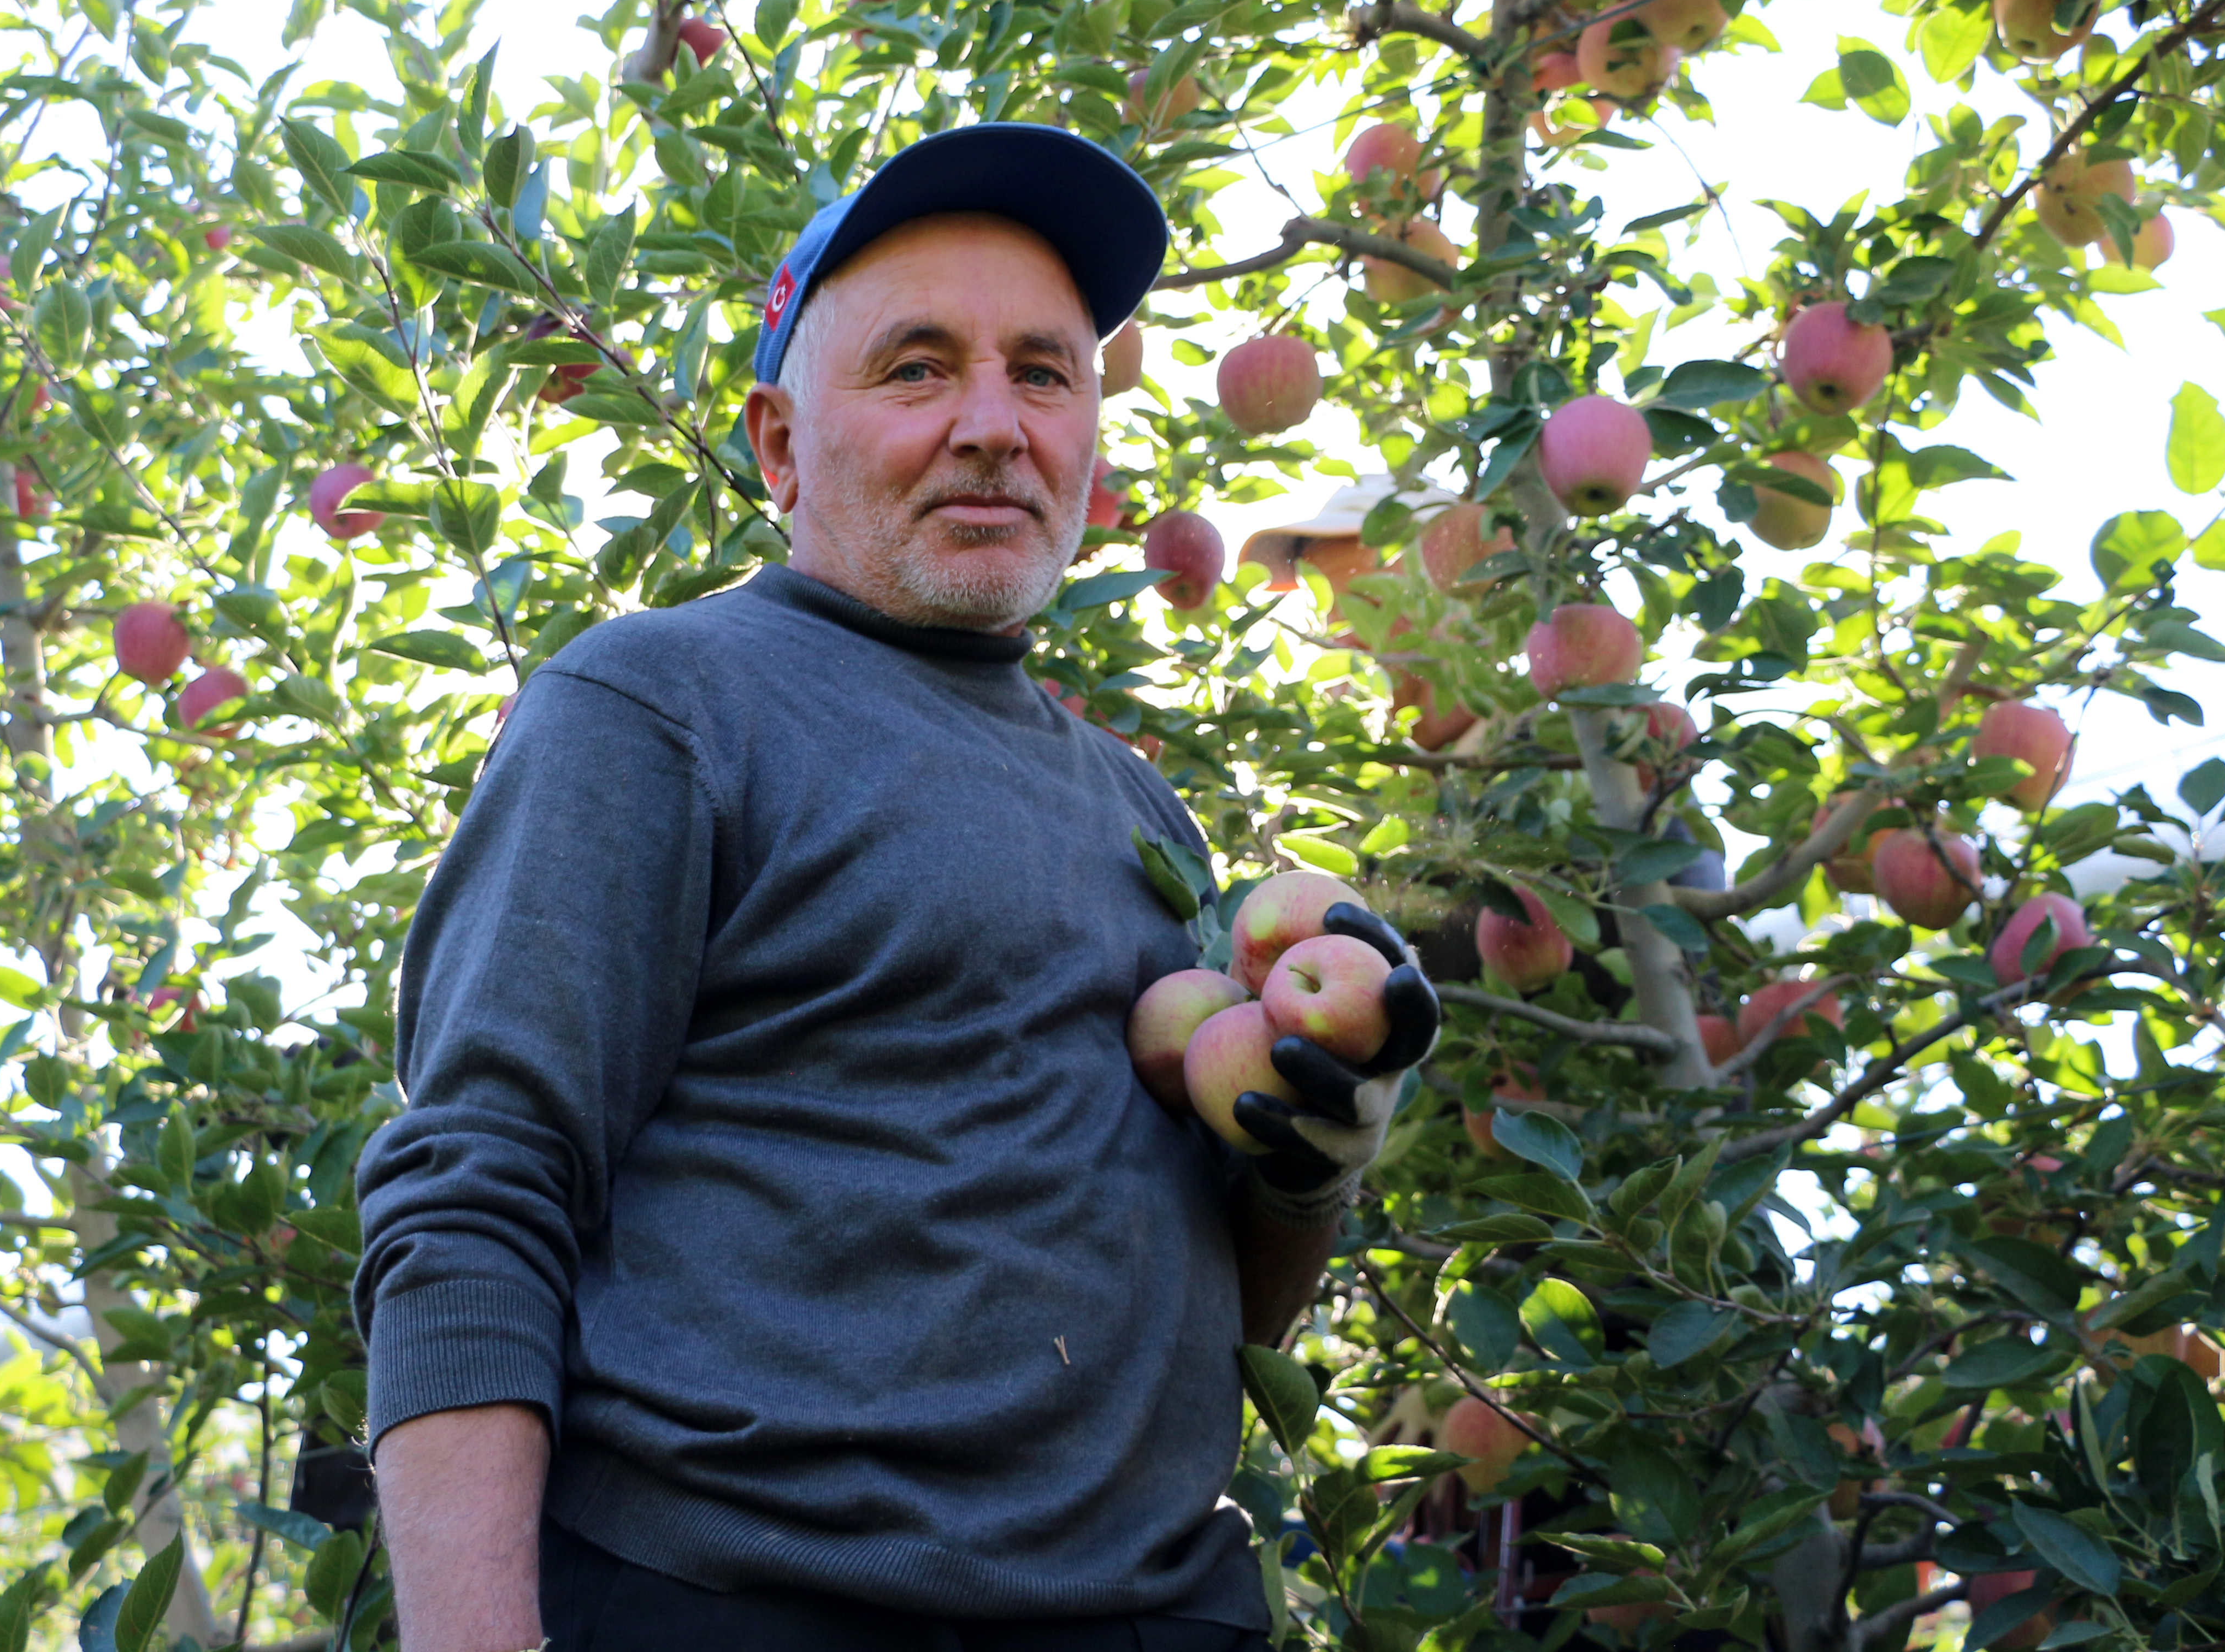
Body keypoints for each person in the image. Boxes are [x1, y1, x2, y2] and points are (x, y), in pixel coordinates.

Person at [352, 123, 1441, 1652]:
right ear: (782, 444)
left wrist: (1318, 1149)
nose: (995, 424)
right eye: (919, 367)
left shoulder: (1143, 815)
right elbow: (476, 1188)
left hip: (1160, 1614)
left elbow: (1214, 1318)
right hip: (751, 1606)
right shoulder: (663, 704)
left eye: (1047, 373)